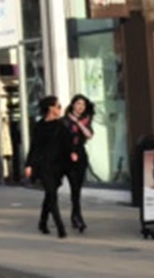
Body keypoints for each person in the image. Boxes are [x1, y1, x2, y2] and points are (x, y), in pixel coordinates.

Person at [24, 95, 75, 238]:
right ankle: (60, 227)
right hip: (43, 165)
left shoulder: (61, 125)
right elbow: (34, 147)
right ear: (50, 108)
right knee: (52, 194)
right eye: (58, 106)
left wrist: (73, 154)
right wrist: (29, 164)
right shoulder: (39, 126)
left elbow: (69, 143)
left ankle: (42, 222)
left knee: (49, 194)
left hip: (58, 166)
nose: (60, 109)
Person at [63, 94, 95, 232]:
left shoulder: (85, 120)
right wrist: (70, 152)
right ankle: (78, 216)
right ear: (73, 105)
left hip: (81, 155)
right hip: (68, 155)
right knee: (73, 186)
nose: (80, 107)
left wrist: (78, 123)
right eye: (78, 104)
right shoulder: (64, 121)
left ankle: (75, 215)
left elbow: (89, 135)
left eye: (83, 105)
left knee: (78, 188)